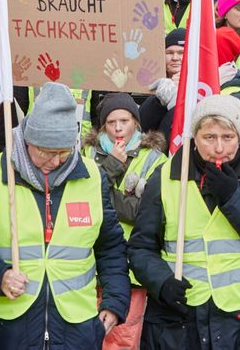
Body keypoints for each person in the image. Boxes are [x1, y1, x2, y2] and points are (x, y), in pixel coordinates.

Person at [129, 94, 240, 349]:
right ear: (195, 138)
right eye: (209, 138)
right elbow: (140, 247)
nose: (219, 148)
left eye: (227, 138)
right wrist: (161, 282)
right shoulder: (167, 175)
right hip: (182, 319)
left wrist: (232, 198)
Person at [0, 83, 131, 349]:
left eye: (64, 152)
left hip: (78, 326)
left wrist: (115, 302)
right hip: (8, 327)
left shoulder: (92, 176)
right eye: (47, 153)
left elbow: (111, 247)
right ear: (27, 141)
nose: (57, 161)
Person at [83, 93, 167, 349]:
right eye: (110, 122)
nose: (118, 128)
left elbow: (142, 212)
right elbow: (79, 201)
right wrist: (111, 168)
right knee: (86, 337)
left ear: (136, 123)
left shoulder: (155, 159)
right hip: (88, 261)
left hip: (131, 266)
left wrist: (104, 192)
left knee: (121, 339)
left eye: (124, 120)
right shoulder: (86, 152)